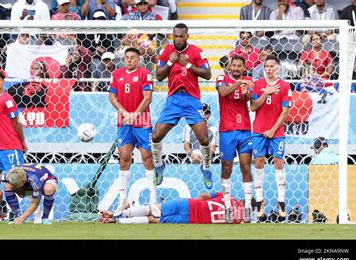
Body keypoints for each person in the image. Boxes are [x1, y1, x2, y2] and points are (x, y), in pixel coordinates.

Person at [153, 23, 212, 189]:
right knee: (156, 136)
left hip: (192, 100)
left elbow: (208, 75)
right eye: (175, 36)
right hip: (173, 99)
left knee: (204, 139)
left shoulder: (196, 51)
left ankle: (206, 168)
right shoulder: (166, 51)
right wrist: (170, 63)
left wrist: (188, 65)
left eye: (181, 36)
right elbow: (158, 76)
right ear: (172, 36)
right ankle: (159, 166)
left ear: (187, 36)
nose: (178, 39)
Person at [108, 47, 158, 217]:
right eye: (126, 57)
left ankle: (153, 200)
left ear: (138, 60)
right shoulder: (116, 74)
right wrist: (124, 112)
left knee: (147, 158)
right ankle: (122, 200)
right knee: (124, 159)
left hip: (142, 120)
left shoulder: (145, 74)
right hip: (123, 121)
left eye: (132, 58)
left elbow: (148, 97)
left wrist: (135, 114)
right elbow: (112, 97)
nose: (129, 60)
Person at [250, 55, 292, 222]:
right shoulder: (258, 85)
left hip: (277, 132)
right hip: (259, 130)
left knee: (278, 162)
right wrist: (265, 93)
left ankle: (281, 202)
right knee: (259, 162)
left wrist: (273, 129)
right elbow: (253, 107)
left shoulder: (284, 86)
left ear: (278, 68)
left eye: (272, 66)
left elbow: (285, 112)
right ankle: (259, 200)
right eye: (266, 66)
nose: (268, 68)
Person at [215, 55, 254, 223]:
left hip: (245, 129)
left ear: (244, 68)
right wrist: (238, 84)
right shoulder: (222, 78)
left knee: (246, 167)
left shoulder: (248, 80)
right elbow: (223, 92)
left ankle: (247, 208)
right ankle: (228, 207)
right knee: (227, 168)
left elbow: (249, 99)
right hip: (227, 130)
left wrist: (247, 93)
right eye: (234, 65)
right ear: (230, 66)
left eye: (240, 66)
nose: (237, 68)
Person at [100, 192, 254, 224]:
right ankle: (116, 220)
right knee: (153, 219)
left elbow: (204, 195)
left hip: (189, 204)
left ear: (242, 200)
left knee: (152, 209)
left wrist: (196, 202)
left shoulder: (230, 197)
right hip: (191, 219)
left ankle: (117, 213)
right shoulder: (238, 220)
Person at [0, 70, 27, 177]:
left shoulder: (7, 100)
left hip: (11, 146)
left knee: (17, 181)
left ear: (3, 82)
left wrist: (23, 142)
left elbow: (17, 123)